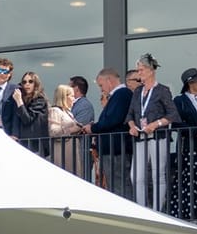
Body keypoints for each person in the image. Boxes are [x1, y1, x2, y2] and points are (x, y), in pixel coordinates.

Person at [125, 54, 176, 211]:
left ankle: (157, 210)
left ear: (150, 70)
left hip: (157, 136)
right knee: (137, 176)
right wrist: (132, 126)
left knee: (158, 175)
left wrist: (155, 124)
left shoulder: (162, 90)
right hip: (141, 137)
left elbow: (172, 115)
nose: (139, 73)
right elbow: (130, 114)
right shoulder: (138, 92)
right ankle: (142, 209)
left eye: (141, 70)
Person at [166, 69, 197, 221]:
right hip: (190, 147)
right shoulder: (180, 101)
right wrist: (194, 132)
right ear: (190, 83)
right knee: (190, 179)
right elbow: (175, 123)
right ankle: (190, 212)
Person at [90, 67, 133, 200]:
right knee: (115, 183)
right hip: (113, 149)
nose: (101, 89)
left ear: (109, 80)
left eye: (101, 85)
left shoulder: (122, 94)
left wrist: (93, 128)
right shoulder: (119, 95)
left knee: (119, 184)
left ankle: (125, 212)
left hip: (117, 149)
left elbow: (112, 119)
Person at [7, 69, 52, 156]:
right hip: (23, 142)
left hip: (36, 144)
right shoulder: (22, 99)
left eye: (30, 81)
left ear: (35, 84)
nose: (27, 84)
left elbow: (27, 119)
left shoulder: (40, 100)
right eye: (24, 82)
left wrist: (19, 101)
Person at [48, 81, 84, 173]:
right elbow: (53, 132)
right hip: (62, 156)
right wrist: (72, 129)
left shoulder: (68, 113)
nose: (74, 98)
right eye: (71, 96)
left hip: (71, 154)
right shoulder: (55, 111)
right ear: (64, 97)